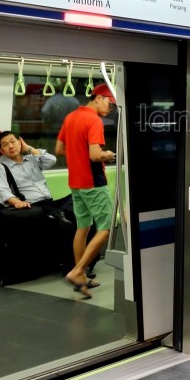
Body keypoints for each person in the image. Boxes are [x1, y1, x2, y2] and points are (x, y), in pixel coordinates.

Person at [56, 83, 116, 298]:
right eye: (110, 103)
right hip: (93, 182)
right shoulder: (94, 120)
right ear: (99, 97)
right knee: (106, 228)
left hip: (75, 182)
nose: (111, 108)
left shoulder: (71, 117)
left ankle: (80, 277)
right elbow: (95, 155)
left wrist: (77, 153)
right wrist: (108, 155)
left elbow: (60, 149)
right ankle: (78, 270)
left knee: (83, 227)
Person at [0, 131, 75, 279]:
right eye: (5, 145)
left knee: (77, 200)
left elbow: (51, 160)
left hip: (49, 202)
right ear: (1, 151)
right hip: (33, 206)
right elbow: (3, 192)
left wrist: (29, 148)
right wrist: (17, 202)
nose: (10, 146)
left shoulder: (31, 158)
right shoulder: (1, 168)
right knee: (67, 224)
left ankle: (60, 214)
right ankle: (71, 269)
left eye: (13, 141)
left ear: (20, 142)